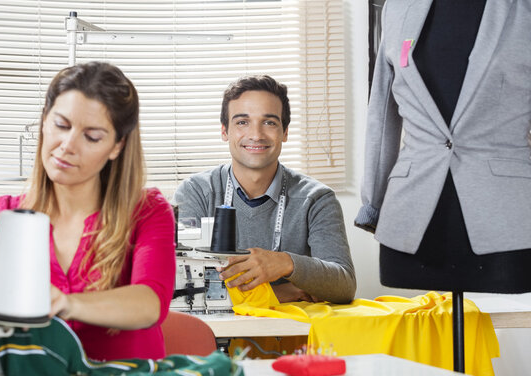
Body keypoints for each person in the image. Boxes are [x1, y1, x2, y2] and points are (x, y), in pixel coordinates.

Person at [0, 62, 176, 361]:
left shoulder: (147, 211)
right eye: (61, 125)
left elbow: (151, 302)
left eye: (91, 137)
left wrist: (67, 303)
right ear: (43, 121)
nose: (67, 146)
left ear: (117, 146)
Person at [355, 1, 531, 298]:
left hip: (506, 222)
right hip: (410, 218)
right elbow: (382, 116)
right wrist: (373, 203)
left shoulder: (522, 10)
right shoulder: (398, 8)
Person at [174, 75, 355, 304]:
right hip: (217, 336)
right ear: (224, 131)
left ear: (285, 132)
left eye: (269, 122)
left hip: (294, 336)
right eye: (242, 122)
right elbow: (184, 287)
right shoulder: (195, 193)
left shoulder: (317, 199)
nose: (256, 135)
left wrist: (285, 263)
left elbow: (344, 285)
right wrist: (278, 293)